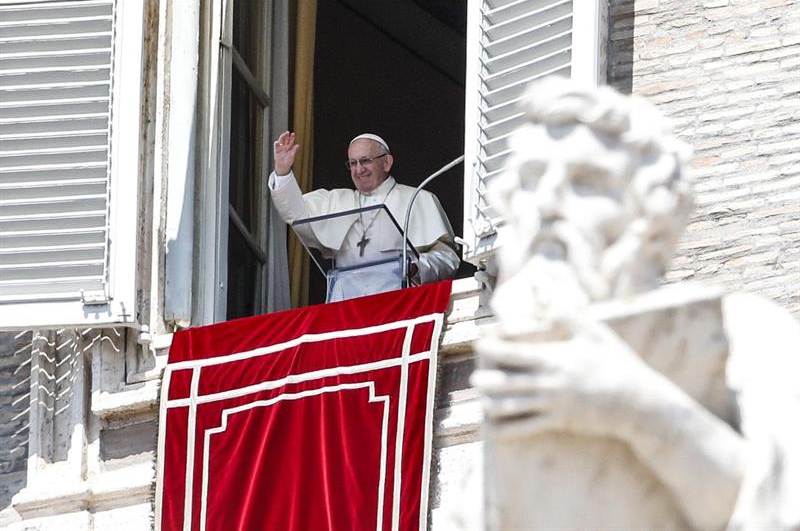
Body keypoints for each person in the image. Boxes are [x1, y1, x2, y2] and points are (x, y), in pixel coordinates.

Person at [454, 77, 800, 529]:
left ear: (654, 213)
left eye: (586, 181)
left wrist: (633, 406)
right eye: (533, 182)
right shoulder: (520, 388)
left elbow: (781, 511)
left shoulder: (747, 334)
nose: (548, 205)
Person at [268, 131, 459, 302]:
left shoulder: (417, 198)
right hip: (345, 307)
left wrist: (418, 267)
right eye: (353, 163)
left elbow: (448, 258)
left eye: (366, 160)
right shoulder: (336, 200)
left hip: (397, 304)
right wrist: (283, 171)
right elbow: (295, 213)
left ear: (386, 162)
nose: (359, 170)